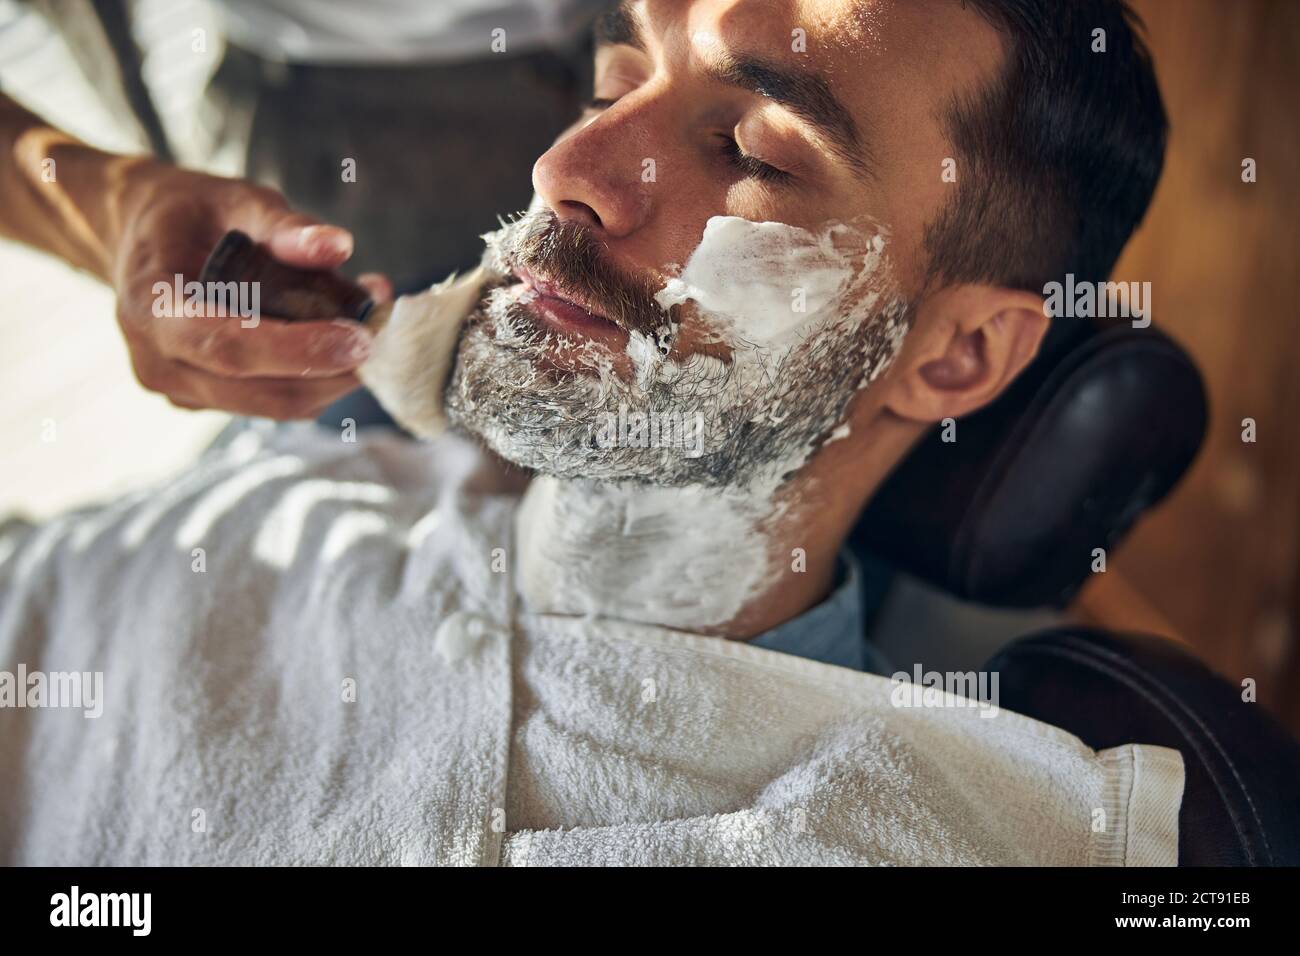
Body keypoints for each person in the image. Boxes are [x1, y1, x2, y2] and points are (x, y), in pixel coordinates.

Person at [0, 0, 1184, 866]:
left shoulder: (840, 823)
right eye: (617, 88)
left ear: (956, 352)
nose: (563, 166)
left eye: (754, 154)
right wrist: (111, 203)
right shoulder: (328, 478)